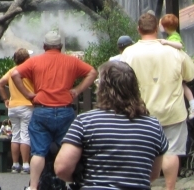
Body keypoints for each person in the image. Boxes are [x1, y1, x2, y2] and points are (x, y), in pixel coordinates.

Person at [54, 61, 168, 189]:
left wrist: (81, 178)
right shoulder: (153, 126)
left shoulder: (85, 122)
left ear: (103, 89)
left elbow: (62, 168)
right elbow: (153, 174)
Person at [10, 30, 97, 190]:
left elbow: (15, 73)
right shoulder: (71, 61)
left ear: (44, 46)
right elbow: (92, 72)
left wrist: (29, 94)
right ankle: (72, 182)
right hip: (65, 110)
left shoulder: (35, 61)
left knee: (38, 152)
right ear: (61, 46)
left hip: (42, 109)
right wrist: (77, 90)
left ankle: (34, 186)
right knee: (68, 148)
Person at [120, 12, 194, 190]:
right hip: (172, 111)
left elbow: (120, 82)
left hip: (139, 112)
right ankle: (170, 188)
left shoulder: (128, 54)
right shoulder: (174, 51)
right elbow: (190, 75)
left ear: (138, 29)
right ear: (157, 28)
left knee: (141, 152)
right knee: (171, 153)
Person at [0, 48, 34, 174]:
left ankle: (15, 164)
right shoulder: (29, 70)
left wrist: (5, 99)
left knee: (15, 135)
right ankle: (26, 164)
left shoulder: (12, 71)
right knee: (25, 135)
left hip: (13, 107)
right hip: (27, 106)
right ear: (27, 59)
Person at [158, 14, 194, 119]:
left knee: (182, 85)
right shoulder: (172, 36)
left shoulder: (174, 37)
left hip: (178, 66)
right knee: (181, 86)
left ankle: (193, 105)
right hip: (177, 65)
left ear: (166, 27)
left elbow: (179, 45)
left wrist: (166, 42)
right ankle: (192, 104)